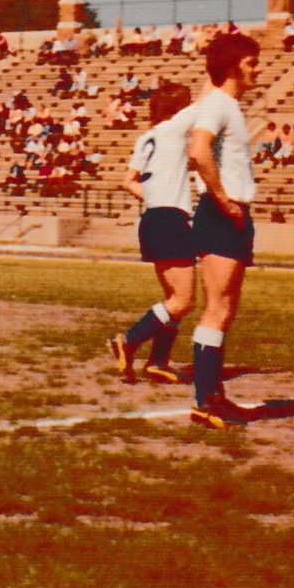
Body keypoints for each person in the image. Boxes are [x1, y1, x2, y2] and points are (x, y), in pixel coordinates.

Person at [186, 32, 276, 428]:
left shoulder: (225, 103)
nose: (258, 68)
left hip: (232, 212)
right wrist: (222, 199)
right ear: (234, 66)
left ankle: (214, 397)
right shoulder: (219, 106)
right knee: (216, 308)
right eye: (252, 62)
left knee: (224, 310)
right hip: (223, 212)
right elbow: (197, 150)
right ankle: (206, 401)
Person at [108, 82, 198, 384]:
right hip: (170, 219)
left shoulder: (147, 137)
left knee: (173, 298)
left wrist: (153, 195)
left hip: (152, 218)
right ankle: (128, 340)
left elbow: (127, 181)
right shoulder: (173, 131)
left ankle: (158, 361)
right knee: (183, 301)